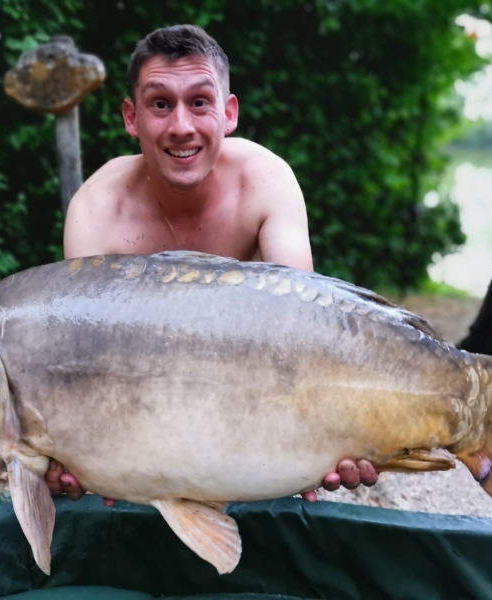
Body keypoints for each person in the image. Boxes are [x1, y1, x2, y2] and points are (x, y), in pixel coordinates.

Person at [47, 24, 378, 504]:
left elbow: (302, 337)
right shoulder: (95, 212)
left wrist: (323, 443)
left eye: (199, 102)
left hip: (255, 401)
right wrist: (85, 456)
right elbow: (92, 369)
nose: (181, 125)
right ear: (131, 117)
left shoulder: (266, 181)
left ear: (228, 114)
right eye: (160, 104)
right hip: (146, 407)